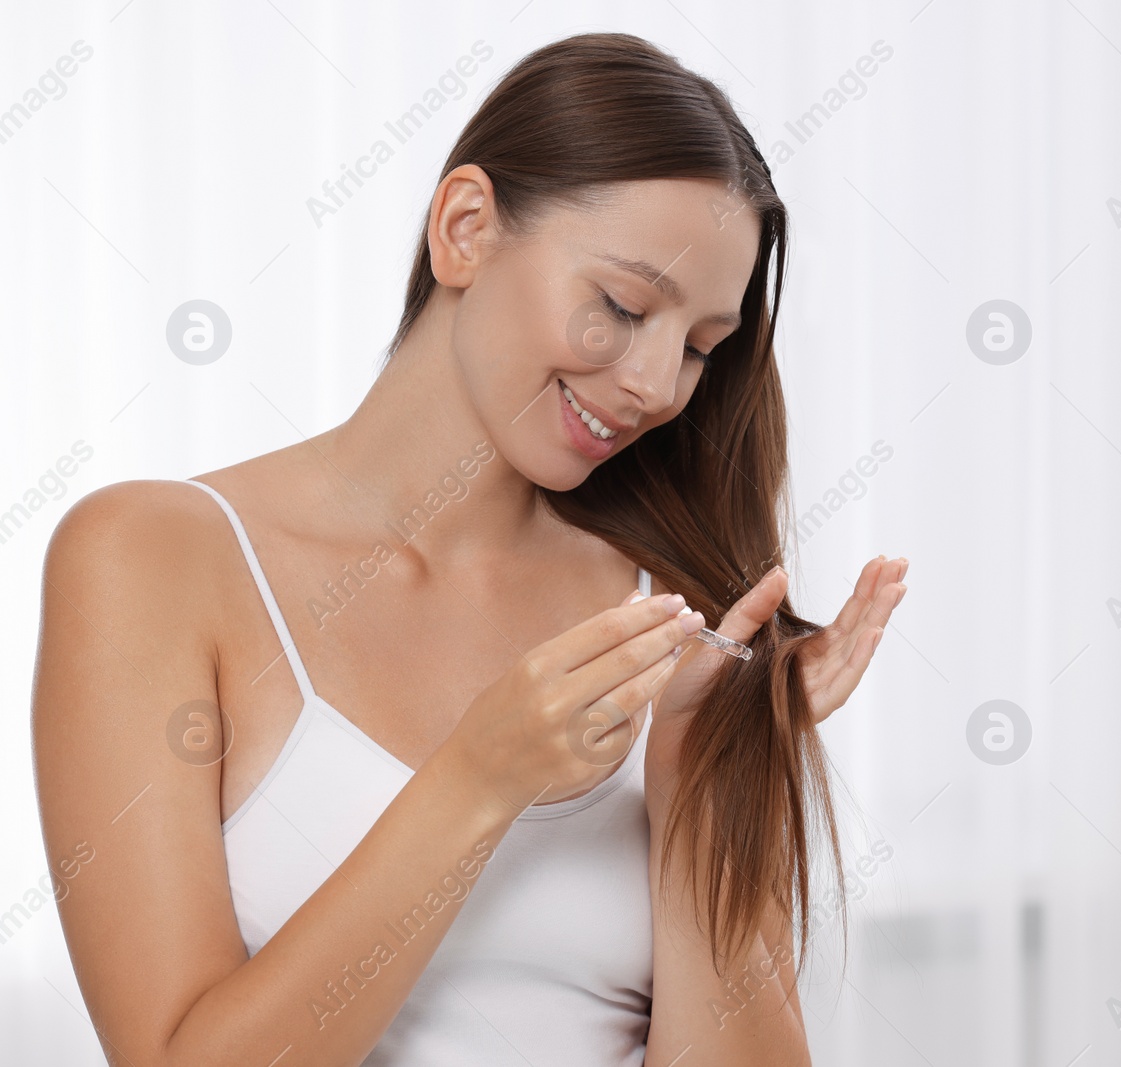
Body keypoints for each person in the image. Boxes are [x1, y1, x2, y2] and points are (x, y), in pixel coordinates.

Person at [31, 31, 908, 1066]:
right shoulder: (154, 560)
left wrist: (701, 779)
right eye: (622, 307)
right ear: (465, 229)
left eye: (701, 349)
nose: (655, 383)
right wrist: (478, 778)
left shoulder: (680, 620)